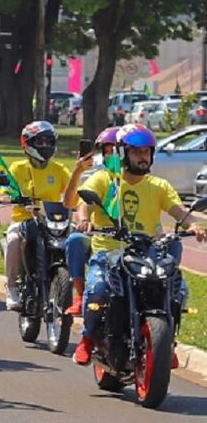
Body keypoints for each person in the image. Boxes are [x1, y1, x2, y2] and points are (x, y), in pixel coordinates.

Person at [71, 124, 206, 365]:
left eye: (147, 152)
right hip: (109, 252)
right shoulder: (105, 180)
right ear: (123, 154)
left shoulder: (159, 186)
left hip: (146, 253)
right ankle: (87, 339)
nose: (144, 157)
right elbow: (84, 205)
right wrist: (83, 220)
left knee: (176, 290)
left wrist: (193, 226)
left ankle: (166, 344)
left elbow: (179, 211)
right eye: (137, 152)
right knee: (98, 290)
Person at [2, 121, 71, 311]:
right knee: (14, 239)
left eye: (49, 142)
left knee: (73, 241)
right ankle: (12, 287)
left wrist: (80, 203)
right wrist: (8, 195)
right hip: (23, 219)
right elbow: (5, 186)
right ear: (28, 144)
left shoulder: (59, 169)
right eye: (40, 142)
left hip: (51, 222)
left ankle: (70, 286)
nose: (46, 146)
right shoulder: (17, 168)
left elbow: (74, 190)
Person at [61, 127, 119, 316]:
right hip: (99, 237)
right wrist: (84, 220)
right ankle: (80, 296)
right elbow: (74, 203)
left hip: (130, 244)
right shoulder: (98, 176)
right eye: (108, 151)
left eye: (117, 150)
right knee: (76, 240)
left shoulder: (144, 181)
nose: (112, 156)